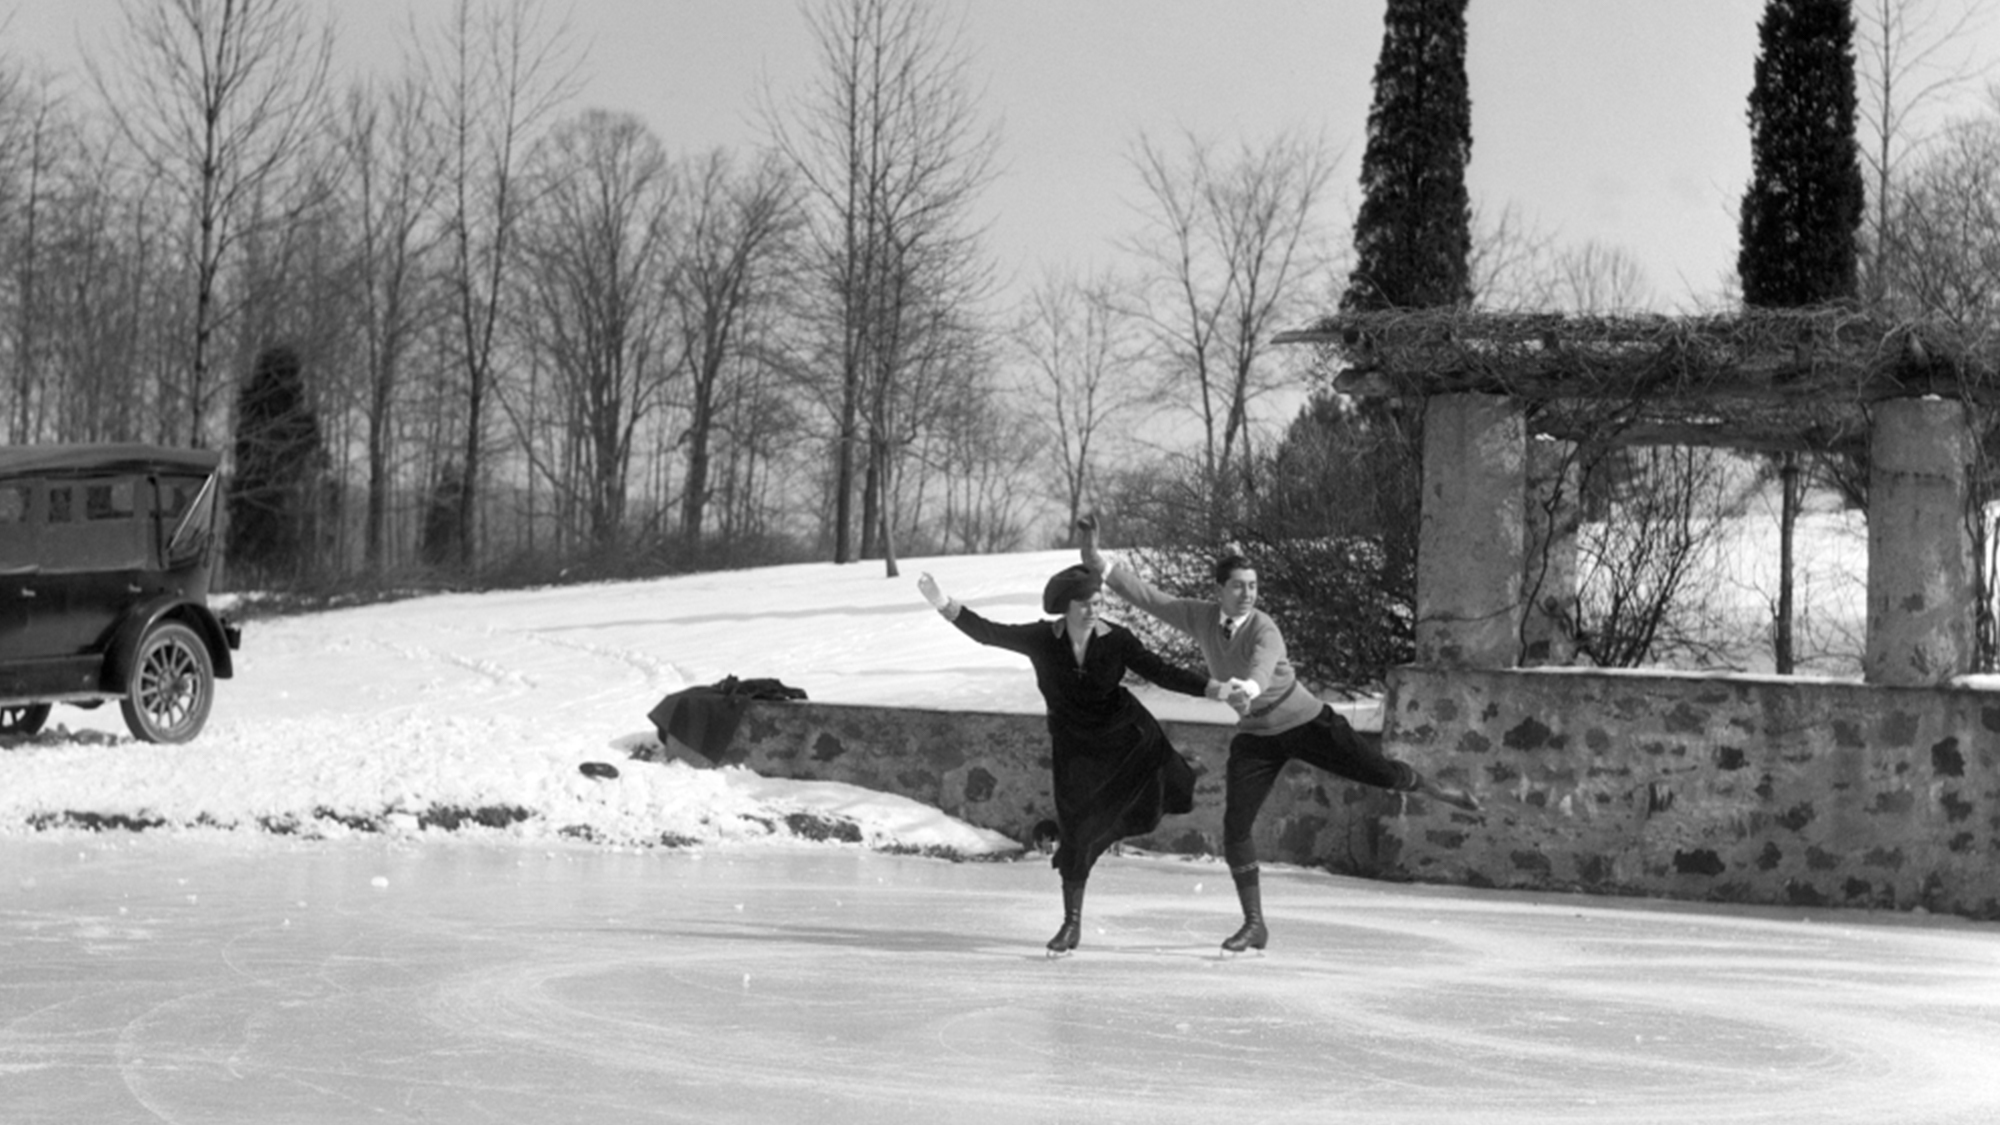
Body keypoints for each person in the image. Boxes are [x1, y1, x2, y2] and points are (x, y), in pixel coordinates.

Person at [1077, 517, 1480, 954]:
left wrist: (1247, 689)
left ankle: (1437, 789)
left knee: (1381, 774)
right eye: (1238, 586)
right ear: (1219, 590)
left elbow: (1263, 667)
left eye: (1252, 586)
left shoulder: (1264, 627)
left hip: (1307, 723)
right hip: (1256, 737)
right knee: (1235, 827)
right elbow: (1150, 598)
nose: (1247, 593)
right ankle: (1254, 924)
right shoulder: (1200, 616)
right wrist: (1097, 560)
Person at [918, 564, 1230, 956]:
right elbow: (988, 633)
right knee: (1078, 832)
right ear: (1065, 607)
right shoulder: (1041, 639)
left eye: (1098, 602)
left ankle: (1175, 775)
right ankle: (1071, 924)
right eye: (1084, 604)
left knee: (1163, 787)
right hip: (1075, 750)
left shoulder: (1117, 639)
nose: (1093, 610)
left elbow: (1161, 672)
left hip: (1125, 737)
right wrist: (942, 602)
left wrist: (1211, 688)